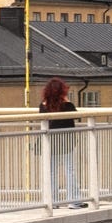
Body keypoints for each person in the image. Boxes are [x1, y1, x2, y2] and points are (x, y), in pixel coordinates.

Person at [39, 77, 82, 207]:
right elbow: (77, 116)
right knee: (69, 169)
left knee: (52, 170)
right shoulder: (67, 105)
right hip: (66, 140)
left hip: (50, 140)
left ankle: (53, 201)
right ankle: (73, 201)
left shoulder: (43, 105)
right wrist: (67, 100)